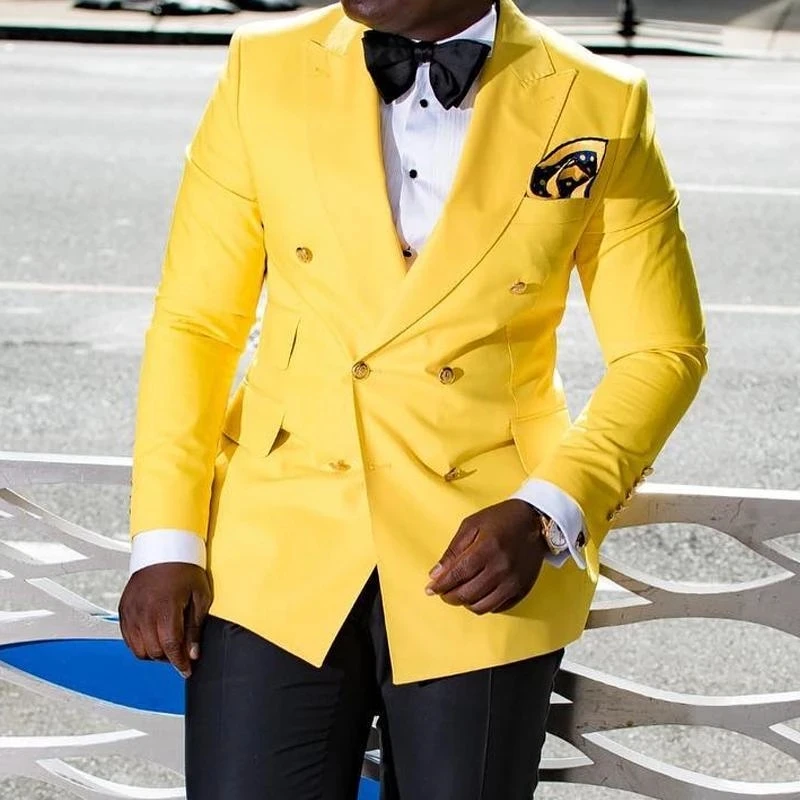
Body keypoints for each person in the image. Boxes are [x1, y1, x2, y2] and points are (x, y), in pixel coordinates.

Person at [119, 0, 708, 797]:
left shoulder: (599, 100)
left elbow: (662, 350)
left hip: (485, 549)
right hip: (275, 537)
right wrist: (166, 540)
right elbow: (196, 324)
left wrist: (548, 510)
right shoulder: (265, 66)